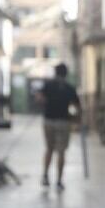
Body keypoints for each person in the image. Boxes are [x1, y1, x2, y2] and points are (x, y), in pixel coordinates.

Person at [36, 62, 80, 191]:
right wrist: (76, 119)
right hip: (64, 122)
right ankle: (59, 181)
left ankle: (45, 175)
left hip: (48, 121)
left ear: (55, 73)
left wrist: (46, 102)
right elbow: (77, 107)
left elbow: (39, 98)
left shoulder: (48, 85)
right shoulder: (69, 88)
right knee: (61, 152)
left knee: (49, 149)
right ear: (66, 74)